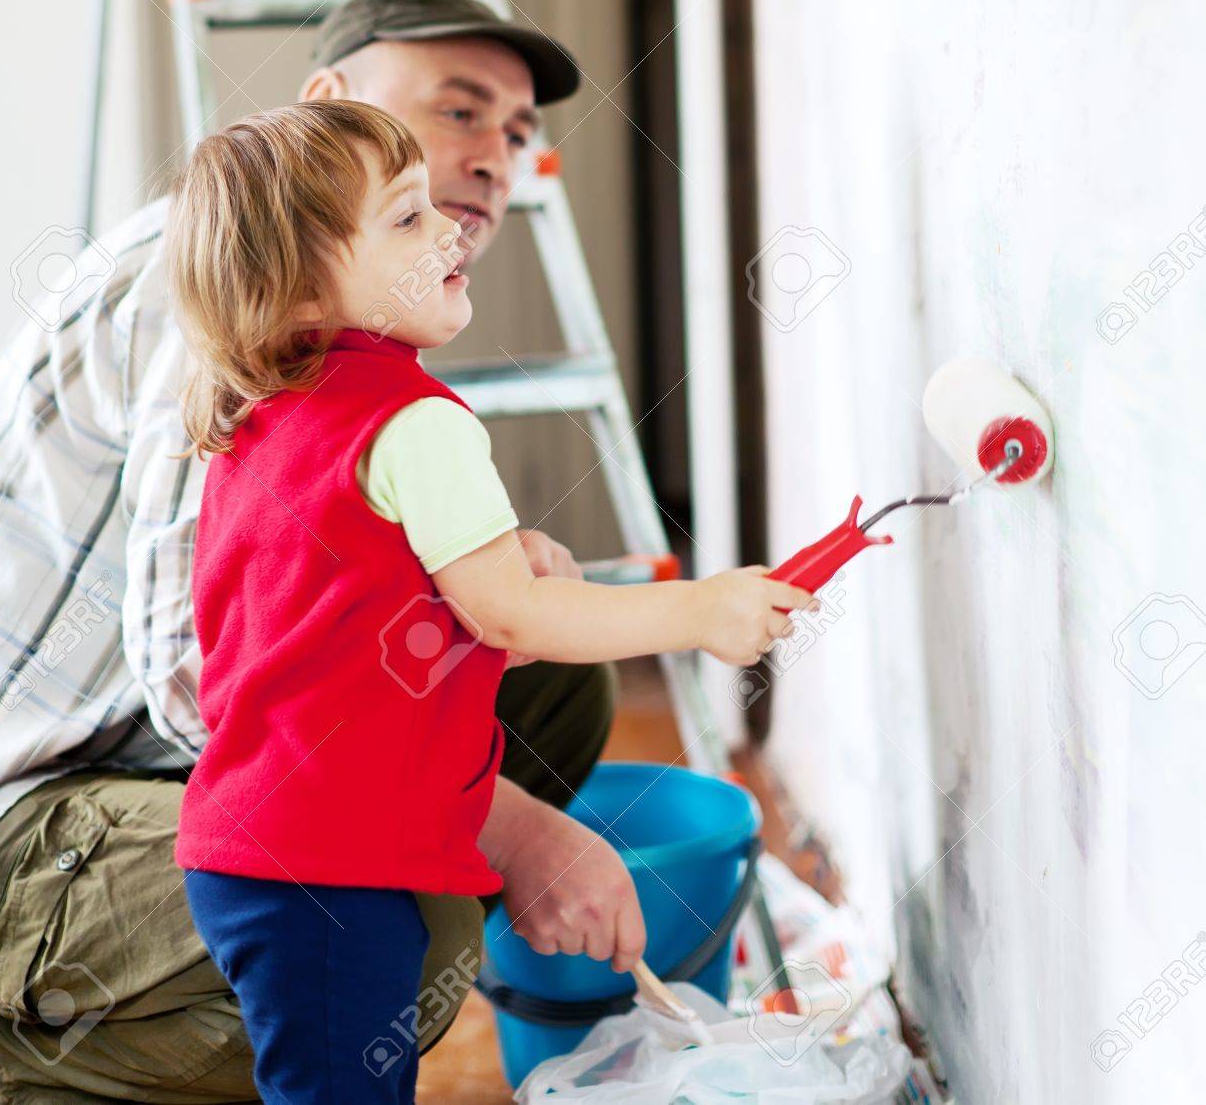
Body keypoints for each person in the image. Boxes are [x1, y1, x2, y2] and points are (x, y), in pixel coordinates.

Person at [0, 0, 674, 1102]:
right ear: (328, 105)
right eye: (459, 110)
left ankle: (293, 1008)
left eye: (516, 135)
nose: (494, 160)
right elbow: (198, 673)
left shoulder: (355, 321)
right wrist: (521, 833)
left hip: (146, 764)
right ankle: (67, 1056)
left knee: (549, 698)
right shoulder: (207, 276)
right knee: (374, 913)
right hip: (8, 827)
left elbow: (301, 585)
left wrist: (474, 573)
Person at [164, 99, 806, 1101]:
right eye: (406, 218)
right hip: (329, 867)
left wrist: (474, 616)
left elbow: (325, 638)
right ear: (296, 290)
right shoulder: (414, 422)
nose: (452, 227)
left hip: (251, 850)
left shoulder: (268, 419)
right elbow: (515, 615)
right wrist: (700, 608)